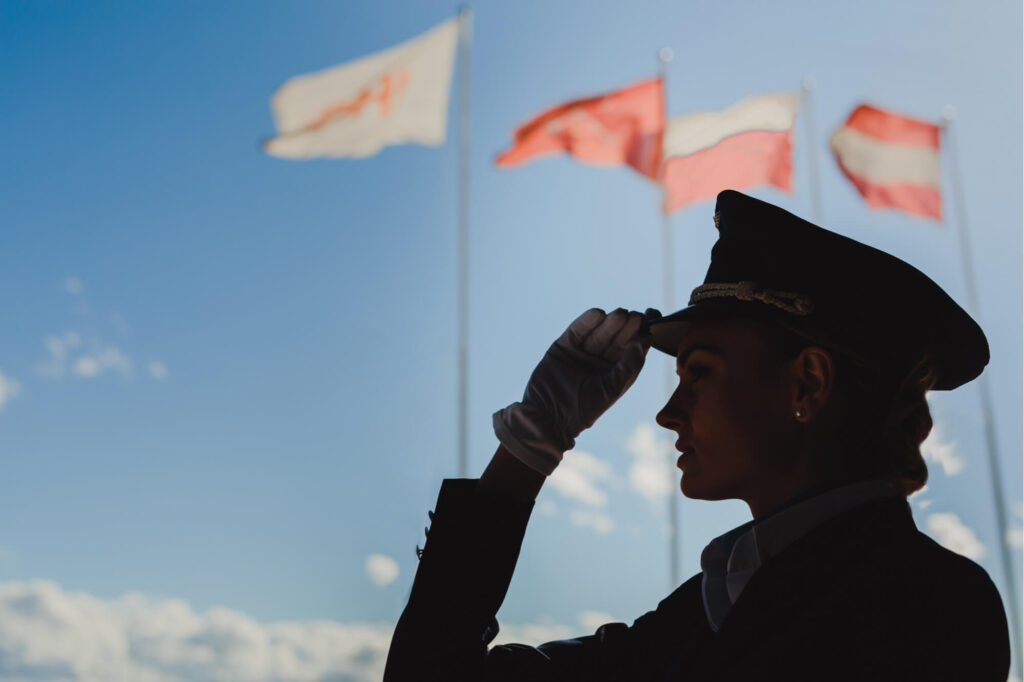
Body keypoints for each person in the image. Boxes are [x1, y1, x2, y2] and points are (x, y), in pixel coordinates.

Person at [383, 190, 1011, 681]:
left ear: (807, 384)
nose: (669, 413)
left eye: (700, 373)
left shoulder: (925, 605)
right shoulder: (704, 611)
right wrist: (530, 445)